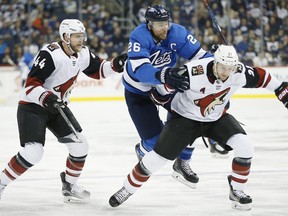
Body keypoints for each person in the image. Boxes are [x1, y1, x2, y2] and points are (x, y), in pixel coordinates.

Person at [109, 45, 288, 210]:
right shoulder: (192, 72)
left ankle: (237, 189)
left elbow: (263, 77)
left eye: (230, 68)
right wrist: (167, 88)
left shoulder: (238, 72)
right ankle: (126, 189)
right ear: (215, 63)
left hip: (215, 119)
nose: (226, 72)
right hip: (184, 120)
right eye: (223, 67)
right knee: (156, 159)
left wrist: (281, 89)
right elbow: (158, 95)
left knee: (245, 145)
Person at [0, 19, 127, 202]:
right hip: (32, 107)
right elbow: (30, 86)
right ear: (65, 37)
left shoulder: (82, 53)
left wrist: (116, 64)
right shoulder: (50, 54)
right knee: (33, 153)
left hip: (56, 106)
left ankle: (69, 185)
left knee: (80, 145)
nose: (81, 40)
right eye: (77, 36)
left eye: (82, 36)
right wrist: (47, 98)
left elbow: (99, 70)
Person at [122, 4, 213, 189]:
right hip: (138, 92)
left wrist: (215, 60)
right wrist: (164, 75)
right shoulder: (138, 36)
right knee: (157, 142)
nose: (164, 27)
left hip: (166, 86)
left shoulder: (178, 33)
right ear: (148, 24)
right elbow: (141, 71)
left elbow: (201, 57)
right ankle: (143, 149)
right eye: (159, 24)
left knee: (191, 117)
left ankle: (182, 162)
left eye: (166, 22)